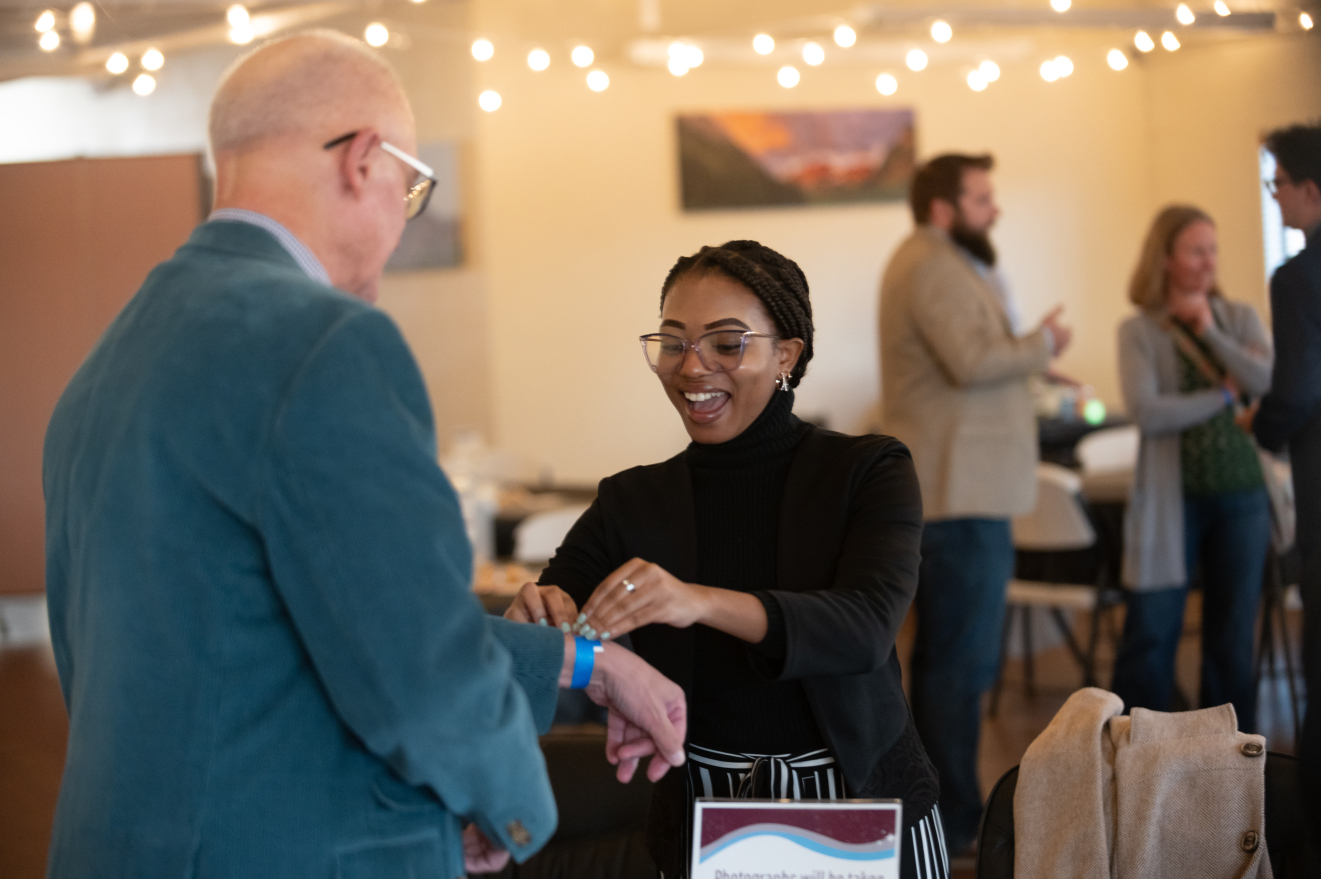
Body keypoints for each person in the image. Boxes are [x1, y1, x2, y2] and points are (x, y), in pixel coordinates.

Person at [41, 31, 686, 878]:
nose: (402, 221)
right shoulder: (325, 344)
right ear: (362, 163)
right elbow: (418, 666)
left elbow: (274, 631)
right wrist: (503, 801)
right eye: (411, 188)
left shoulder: (109, 358)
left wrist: (584, 659)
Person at [507, 241, 948, 879]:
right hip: (701, 811)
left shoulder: (867, 470)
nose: (693, 367)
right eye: (674, 342)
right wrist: (545, 614)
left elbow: (864, 628)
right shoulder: (634, 500)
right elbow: (559, 613)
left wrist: (697, 600)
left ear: (786, 355)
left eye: (726, 342)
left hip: (858, 802)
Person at [878, 153, 1071, 856]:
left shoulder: (938, 260)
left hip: (960, 490)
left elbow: (971, 357)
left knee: (947, 666)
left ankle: (939, 813)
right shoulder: (931, 263)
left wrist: (1032, 357)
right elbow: (969, 359)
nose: (994, 209)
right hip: (957, 496)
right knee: (958, 669)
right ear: (942, 207)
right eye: (982, 197)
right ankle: (952, 822)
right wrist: (1039, 343)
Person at [1109, 205, 1273, 732]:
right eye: (1196, 250)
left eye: (1213, 250)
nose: (1208, 262)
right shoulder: (1138, 330)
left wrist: (1214, 334)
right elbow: (1149, 412)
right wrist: (1224, 391)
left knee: (1231, 638)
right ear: (1166, 258)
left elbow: (1268, 380)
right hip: (1169, 501)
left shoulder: (1239, 316)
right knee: (1152, 634)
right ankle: (1141, 762)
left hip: (1243, 496)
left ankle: (1230, 763)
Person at [1252, 123, 1321, 828]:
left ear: (1308, 188)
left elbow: (1296, 392)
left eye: (1277, 185)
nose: (1273, 198)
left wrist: (1262, 428)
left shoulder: (1297, 276)